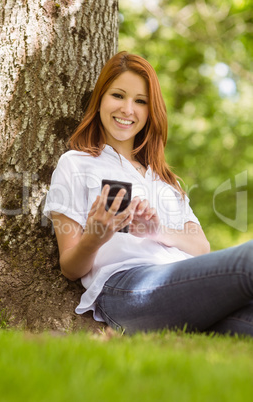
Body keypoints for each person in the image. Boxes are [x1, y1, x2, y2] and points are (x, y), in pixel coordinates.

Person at [43, 51, 253, 336]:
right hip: (126, 289)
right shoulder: (76, 163)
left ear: (150, 110)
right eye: (118, 95)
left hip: (181, 284)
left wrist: (157, 231)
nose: (128, 109)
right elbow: (70, 267)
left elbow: (201, 247)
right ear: (101, 100)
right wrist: (94, 238)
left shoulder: (166, 180)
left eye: (140, 101)